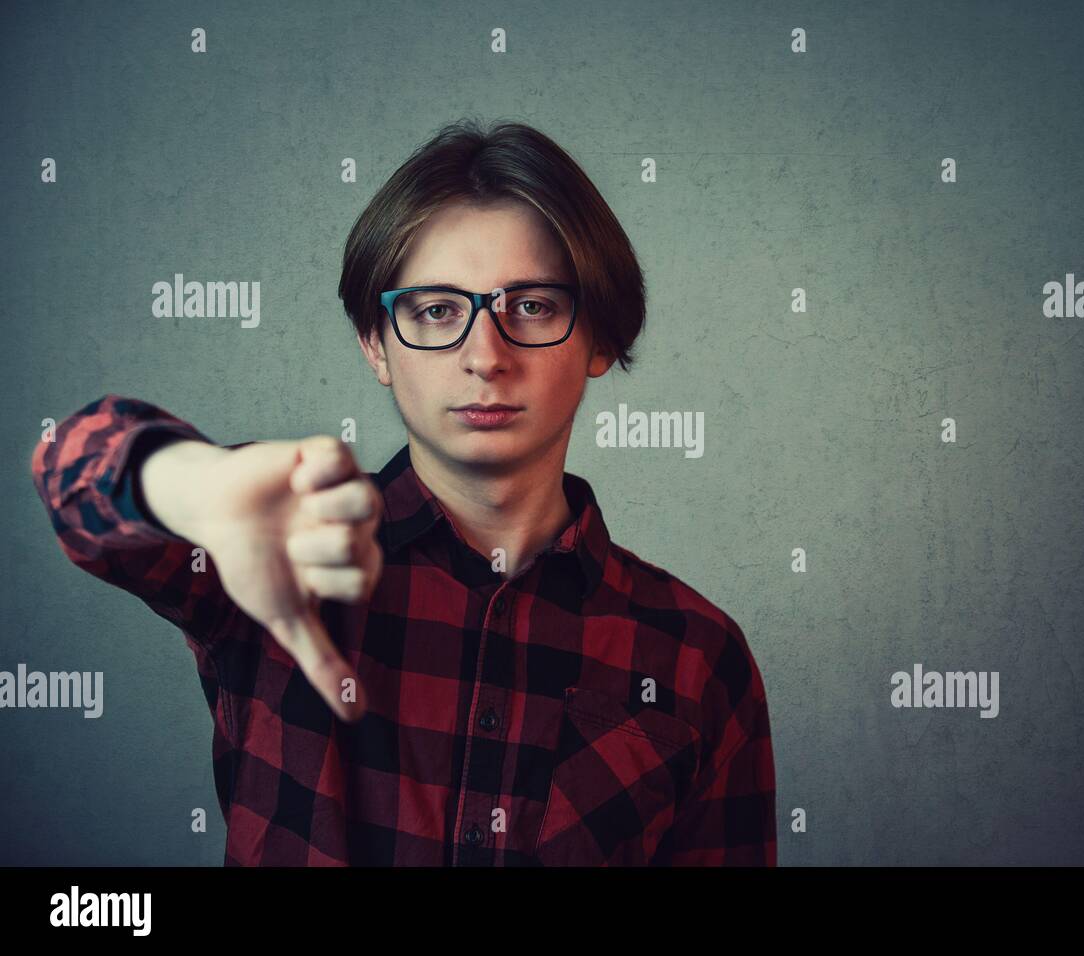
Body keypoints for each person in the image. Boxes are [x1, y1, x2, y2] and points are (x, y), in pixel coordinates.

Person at [30, 117, 776, 866]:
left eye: (534, 306)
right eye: (437, 311)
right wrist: (195, 483)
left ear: (600, 341)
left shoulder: (698, 655)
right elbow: (68, 462)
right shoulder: (280, 549)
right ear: (375, 345)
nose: (485, 356)